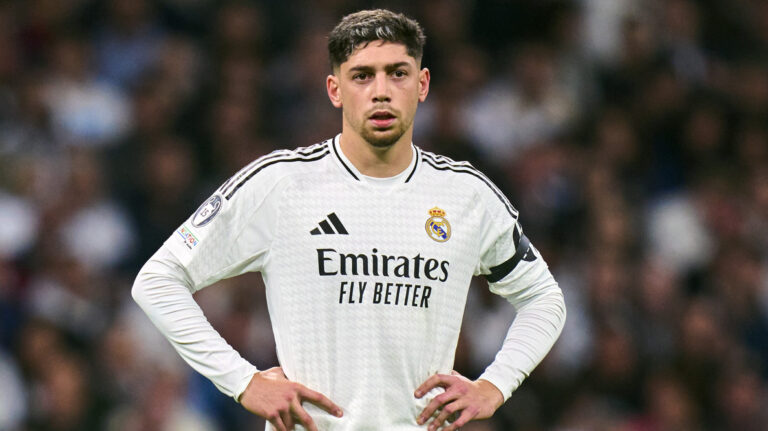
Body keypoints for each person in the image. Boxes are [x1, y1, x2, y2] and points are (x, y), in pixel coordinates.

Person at [132, 9, 566, 431]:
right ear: (334, 89)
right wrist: (243, 382)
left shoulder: (466, 196)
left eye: (398, 73)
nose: (381, 91)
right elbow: (157, 280)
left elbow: (544, 299)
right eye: (362, 76)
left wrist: (495, 385)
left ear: (422, 84)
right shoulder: (282, 185)